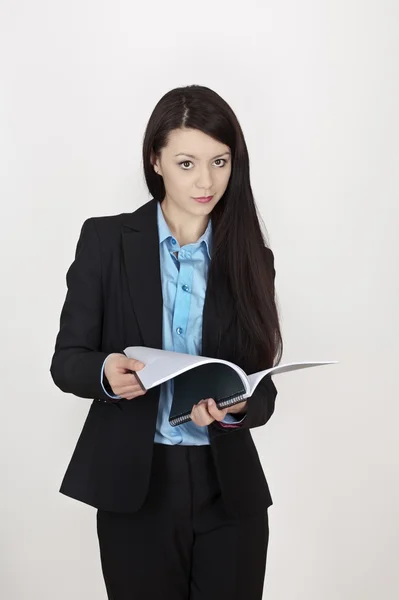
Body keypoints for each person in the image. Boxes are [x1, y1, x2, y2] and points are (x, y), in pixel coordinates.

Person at [50, 84, 283, 600]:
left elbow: (261, 388)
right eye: (186, 163)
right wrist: (106, 373)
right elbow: (67, 361)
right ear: (155, 160)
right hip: (137, 487)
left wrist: (235, 408)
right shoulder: (106, 241)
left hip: (230, 491)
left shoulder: (250, 257)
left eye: (220, 161)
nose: (206, 180)